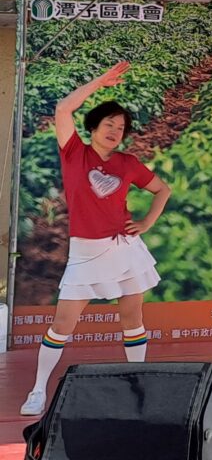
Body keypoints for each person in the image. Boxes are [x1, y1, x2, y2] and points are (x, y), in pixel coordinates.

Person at [20, 62, 171, 416]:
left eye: (121, 128)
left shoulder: (128, 163)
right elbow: (63, 109)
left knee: (132, 319)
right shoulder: (74, 152)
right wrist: (99, 82)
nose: (115, 131)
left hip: (125, 249)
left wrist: (147, 222)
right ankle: (38, 389)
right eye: (109, 125)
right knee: (62, 324)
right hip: (85, 252)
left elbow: (162, 189)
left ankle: (138, 384)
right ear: (93, 127)